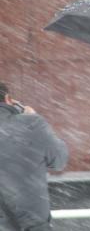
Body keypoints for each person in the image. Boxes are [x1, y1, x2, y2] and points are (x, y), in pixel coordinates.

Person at [0, 82, 68, 231]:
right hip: (31, 224)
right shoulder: (31, 124)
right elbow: (59, 160)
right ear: (7, 98)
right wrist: (33, 117)